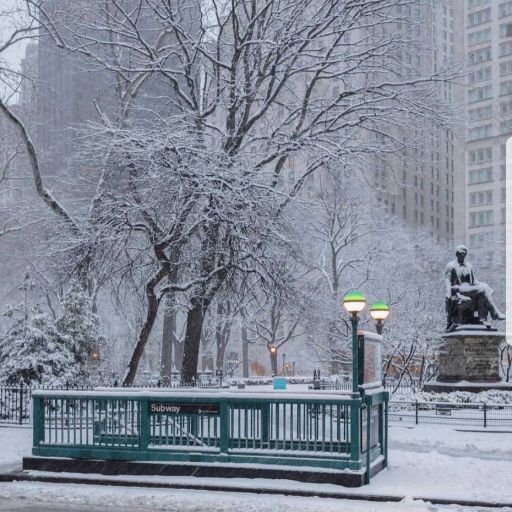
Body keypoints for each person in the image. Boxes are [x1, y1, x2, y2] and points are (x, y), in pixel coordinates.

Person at [445, 245, 505, 330]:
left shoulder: (469, 266)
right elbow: (447, 280)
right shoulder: (450, 266)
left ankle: (482, 319)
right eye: (460, 253)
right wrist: (448, 293)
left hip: (469, 289)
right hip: (458, 289)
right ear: (457, 254)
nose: (462, 255)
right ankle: (495, 313)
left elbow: (474, 282)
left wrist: (485, 286)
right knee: (482, 290)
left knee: (483, 289)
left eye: (464, 254)